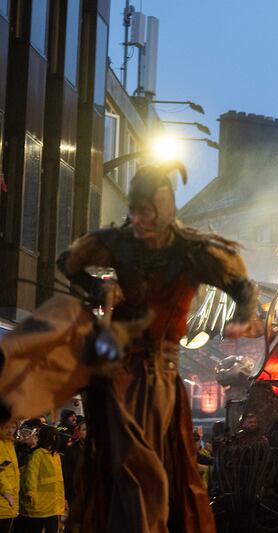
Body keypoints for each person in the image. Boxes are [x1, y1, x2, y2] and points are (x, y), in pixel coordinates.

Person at [56, 162, 259, 533]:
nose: (138, 220)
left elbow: (241, 285)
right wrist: (97, 289)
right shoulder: (119, 241)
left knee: (164, 465)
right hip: (116, 369)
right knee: (115, 462)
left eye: (147, 213)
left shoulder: (192, 252)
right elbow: (67, 262)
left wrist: (244, 315)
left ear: (164, 211)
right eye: (134, 212)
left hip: (160, 376)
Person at [17, 425, 64, 533]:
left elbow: (59, 481)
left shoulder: (55, 455)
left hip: (53, 505)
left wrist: (62, 500)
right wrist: (31, 493)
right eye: (53, 436)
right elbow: (31, 476)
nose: (55, 438)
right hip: (39, 505)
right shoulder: (37, 454)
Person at [0, 421, 19, 533]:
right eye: (7, 427)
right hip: (4, 499)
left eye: (13, 427)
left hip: (11, 498)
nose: (10, 430)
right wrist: (6, 491)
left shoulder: (10, 444)